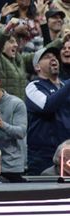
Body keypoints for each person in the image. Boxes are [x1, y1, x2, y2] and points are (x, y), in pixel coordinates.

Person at [25, 47, 70, 175]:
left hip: (67, 153)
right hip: (42, 156)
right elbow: (47, 106)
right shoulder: (34, 86)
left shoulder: (65, 86)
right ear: (37, 67)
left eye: (55, 57)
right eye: (47, 57)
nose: (53, 59)